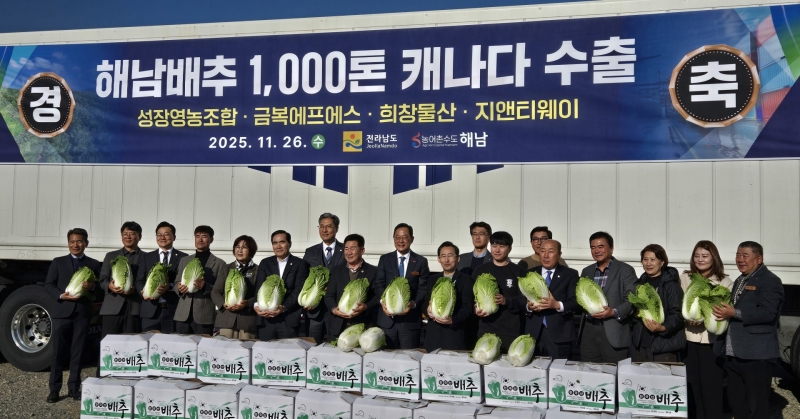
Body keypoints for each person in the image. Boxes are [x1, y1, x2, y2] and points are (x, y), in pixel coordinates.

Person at [713, 241, 784, 419]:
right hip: (735, 354)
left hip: (756, 354)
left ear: (759, 259)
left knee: (757, 404)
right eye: (738, 255)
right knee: (737, 401)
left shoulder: (770, 281)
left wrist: (733, 313)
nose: (740, 259)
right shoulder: (741, 279)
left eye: (745, 255)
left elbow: (768, 313)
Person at [45, 228, 102, 403]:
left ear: (86, 243)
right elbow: (49, 285)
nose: (75, 245)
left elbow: (100, 289)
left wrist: (92, 286)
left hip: (82, 313)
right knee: (58, 353)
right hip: (62, 312)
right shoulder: (58, 262)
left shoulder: (94, 264)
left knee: (78, 352)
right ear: (68, 243)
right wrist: (61, 296)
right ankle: (54, 390)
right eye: (72, 241)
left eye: (79, 241)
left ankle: (73, 388)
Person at [679, 240, 732, 419]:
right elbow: (677, 304)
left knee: (711, 388)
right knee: (692, 386)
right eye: (697, 256)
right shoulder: (685, 278)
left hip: (711, 342)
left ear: (714, 257)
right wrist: (686, 318)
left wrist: (707, 318)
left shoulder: (725, 282)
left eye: (705, 256)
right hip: (688, 340)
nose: (700, 259)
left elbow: (725, 312)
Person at [578, 231, 637, 363]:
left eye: (601, 246)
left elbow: (631, 300)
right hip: (589, 332)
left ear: (611, 248)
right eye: (593, 247)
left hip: (613, 330)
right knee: (589, 371)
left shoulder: (625, 270)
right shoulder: (587, 271)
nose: (596, 251)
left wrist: (613, 312)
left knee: (613, 372)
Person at [520, 239, 579, 359]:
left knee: (558, 369)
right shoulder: (530, 273)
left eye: (551, 251)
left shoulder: (570, 274)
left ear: (559, 254)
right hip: (534, 334)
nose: (546, 255)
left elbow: (575, 302)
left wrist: (556, 305)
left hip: (559, 335)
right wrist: (528, 306)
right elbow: (520, 300)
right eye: (543, 251)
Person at [376, 223, 430, 349]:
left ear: (412, 239)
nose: (401, 241)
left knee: (408, 358)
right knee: (386, 357)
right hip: (387, 321)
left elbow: (423, 288)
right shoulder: (385, 259)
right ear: (393, 239)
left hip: (410, 322)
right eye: (397, 237)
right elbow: (378, 284)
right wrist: (383, 303)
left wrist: (413, 303)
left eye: (405, 237)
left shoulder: (421, 261)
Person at [471, 231, 525, 352]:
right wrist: (475, 309)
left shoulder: (518, 272)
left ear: (510, 248)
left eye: (502, 246)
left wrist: (507, 301)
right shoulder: (480, 270)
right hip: (485, 329)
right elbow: (470, 297)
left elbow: (524, 300)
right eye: (494, 246)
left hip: (510, 331)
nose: (497, 250)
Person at [630, 244, 685, 362]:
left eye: (653, 259)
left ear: (662, 262)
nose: (648, 263)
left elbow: (677, 313)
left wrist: (663, 327)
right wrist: (635, 315)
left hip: (664, 345)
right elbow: (634, 312)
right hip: (641, 344)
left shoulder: (671, 285)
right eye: (645, 259)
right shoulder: (639, 284)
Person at [254, 230, 309, 340]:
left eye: (282, 242)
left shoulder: (300, 264)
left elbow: (299, 290)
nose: (278, 246)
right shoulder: (265, 263)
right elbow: (259, 287)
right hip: (266, 318)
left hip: (288, 318)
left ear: (289, 244)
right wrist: (256, 305)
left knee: (287, 350)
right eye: (275, 243)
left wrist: (283, 307)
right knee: (264, 350)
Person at [324, 234, 381, 340]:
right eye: (346, 248)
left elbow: (378, 296)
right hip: (337, 325)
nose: (349, 252)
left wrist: (366, 306)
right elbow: (329, 295)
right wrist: (334, 309)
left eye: (353, 248)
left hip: (362, 326)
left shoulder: (373, 271)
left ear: (362, 250)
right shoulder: (337, 270)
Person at [173, 225, 227, 335]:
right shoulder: (185, 260)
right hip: (182, 314)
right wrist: (178, 288)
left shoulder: (220, 264)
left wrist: (205, 287)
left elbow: (221, 290)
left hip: (204, 316)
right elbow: (176, 282)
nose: (200, 239)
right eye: (197, 236)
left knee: (203, 344)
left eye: (204, 236)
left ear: (211, 239)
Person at [302, 212, 345, 344]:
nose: (324, 230)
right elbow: (303, 277)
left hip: (338, 308)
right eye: (321, 226)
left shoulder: (346, 250)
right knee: (313, 345)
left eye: (329, 226)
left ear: (337, 228)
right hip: (315, 310)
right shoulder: (310, 252)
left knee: (336, 346)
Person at [422, 242, 473, 352]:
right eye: (443, 256)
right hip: (433, 337)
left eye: (450, 256)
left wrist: (452, 321)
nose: (446, 260)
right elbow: (425, 301)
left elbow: (467, 308)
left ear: (458, 258)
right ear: (439, 259)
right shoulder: (433, 279)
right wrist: (428, 309)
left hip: (453, 336)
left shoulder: (466, 280)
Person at [137, 221, 187, 333]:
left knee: (170, 342)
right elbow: (139, 281)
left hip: (172, 310)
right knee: (148, 341)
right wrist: (143, 292)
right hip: (150, 310)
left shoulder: (183, 257)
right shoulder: (146, 257)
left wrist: (170, 287)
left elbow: (184, 283)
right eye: (159, 235)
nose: (162, 237)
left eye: (166, 234)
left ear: (174, 237)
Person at [98, 221, 144, 337]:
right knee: (109, 343)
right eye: (125, 234)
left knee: (132, 343)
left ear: (139, 236)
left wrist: (135, 289)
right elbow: (102, 280)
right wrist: (109, 286)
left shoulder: (146, 257)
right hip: (112, 308)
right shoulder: (111, 256)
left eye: (132, 234)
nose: (128, 237)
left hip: (135, 308)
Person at [211, 235, 259, 339]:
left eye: (244, 247)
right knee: (225, 348)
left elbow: (259, 295)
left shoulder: (258, 270)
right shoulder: (225, 268)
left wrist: (248, 303)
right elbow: (215, 291)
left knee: (246, 348)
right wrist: (223, 304)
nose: (240, 250)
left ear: (251, 250)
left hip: (247, 320)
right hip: (226, 319)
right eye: (237, 247)